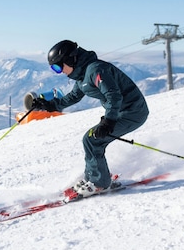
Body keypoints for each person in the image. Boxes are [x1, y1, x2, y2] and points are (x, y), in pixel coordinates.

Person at [29, 40, 150, 199]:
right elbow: (72, 97)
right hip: (120, 112)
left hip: (133, 111)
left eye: (58, 67)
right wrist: (49, 105)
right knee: (92, 139)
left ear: (70, 59)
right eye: (54, 69)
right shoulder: (82, 75)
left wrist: (108, 121)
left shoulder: (96, 70)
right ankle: (94, 177)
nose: (59, 72)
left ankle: (99, 182)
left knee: (92, 140)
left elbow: (113, 96)